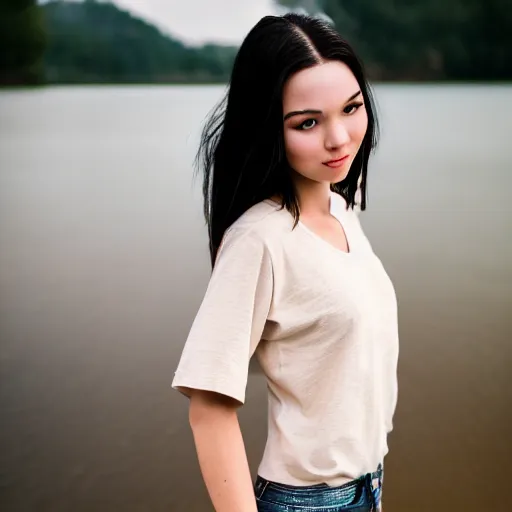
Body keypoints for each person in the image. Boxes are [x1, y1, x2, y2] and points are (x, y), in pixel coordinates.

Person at [172, 12, 399, 512]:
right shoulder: (259, 239)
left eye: (351, 108)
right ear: (269, 127)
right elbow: (209, 408)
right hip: (308, 501)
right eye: (308, 123)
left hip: (370, 485)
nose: (338, 139)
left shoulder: (343, 206)